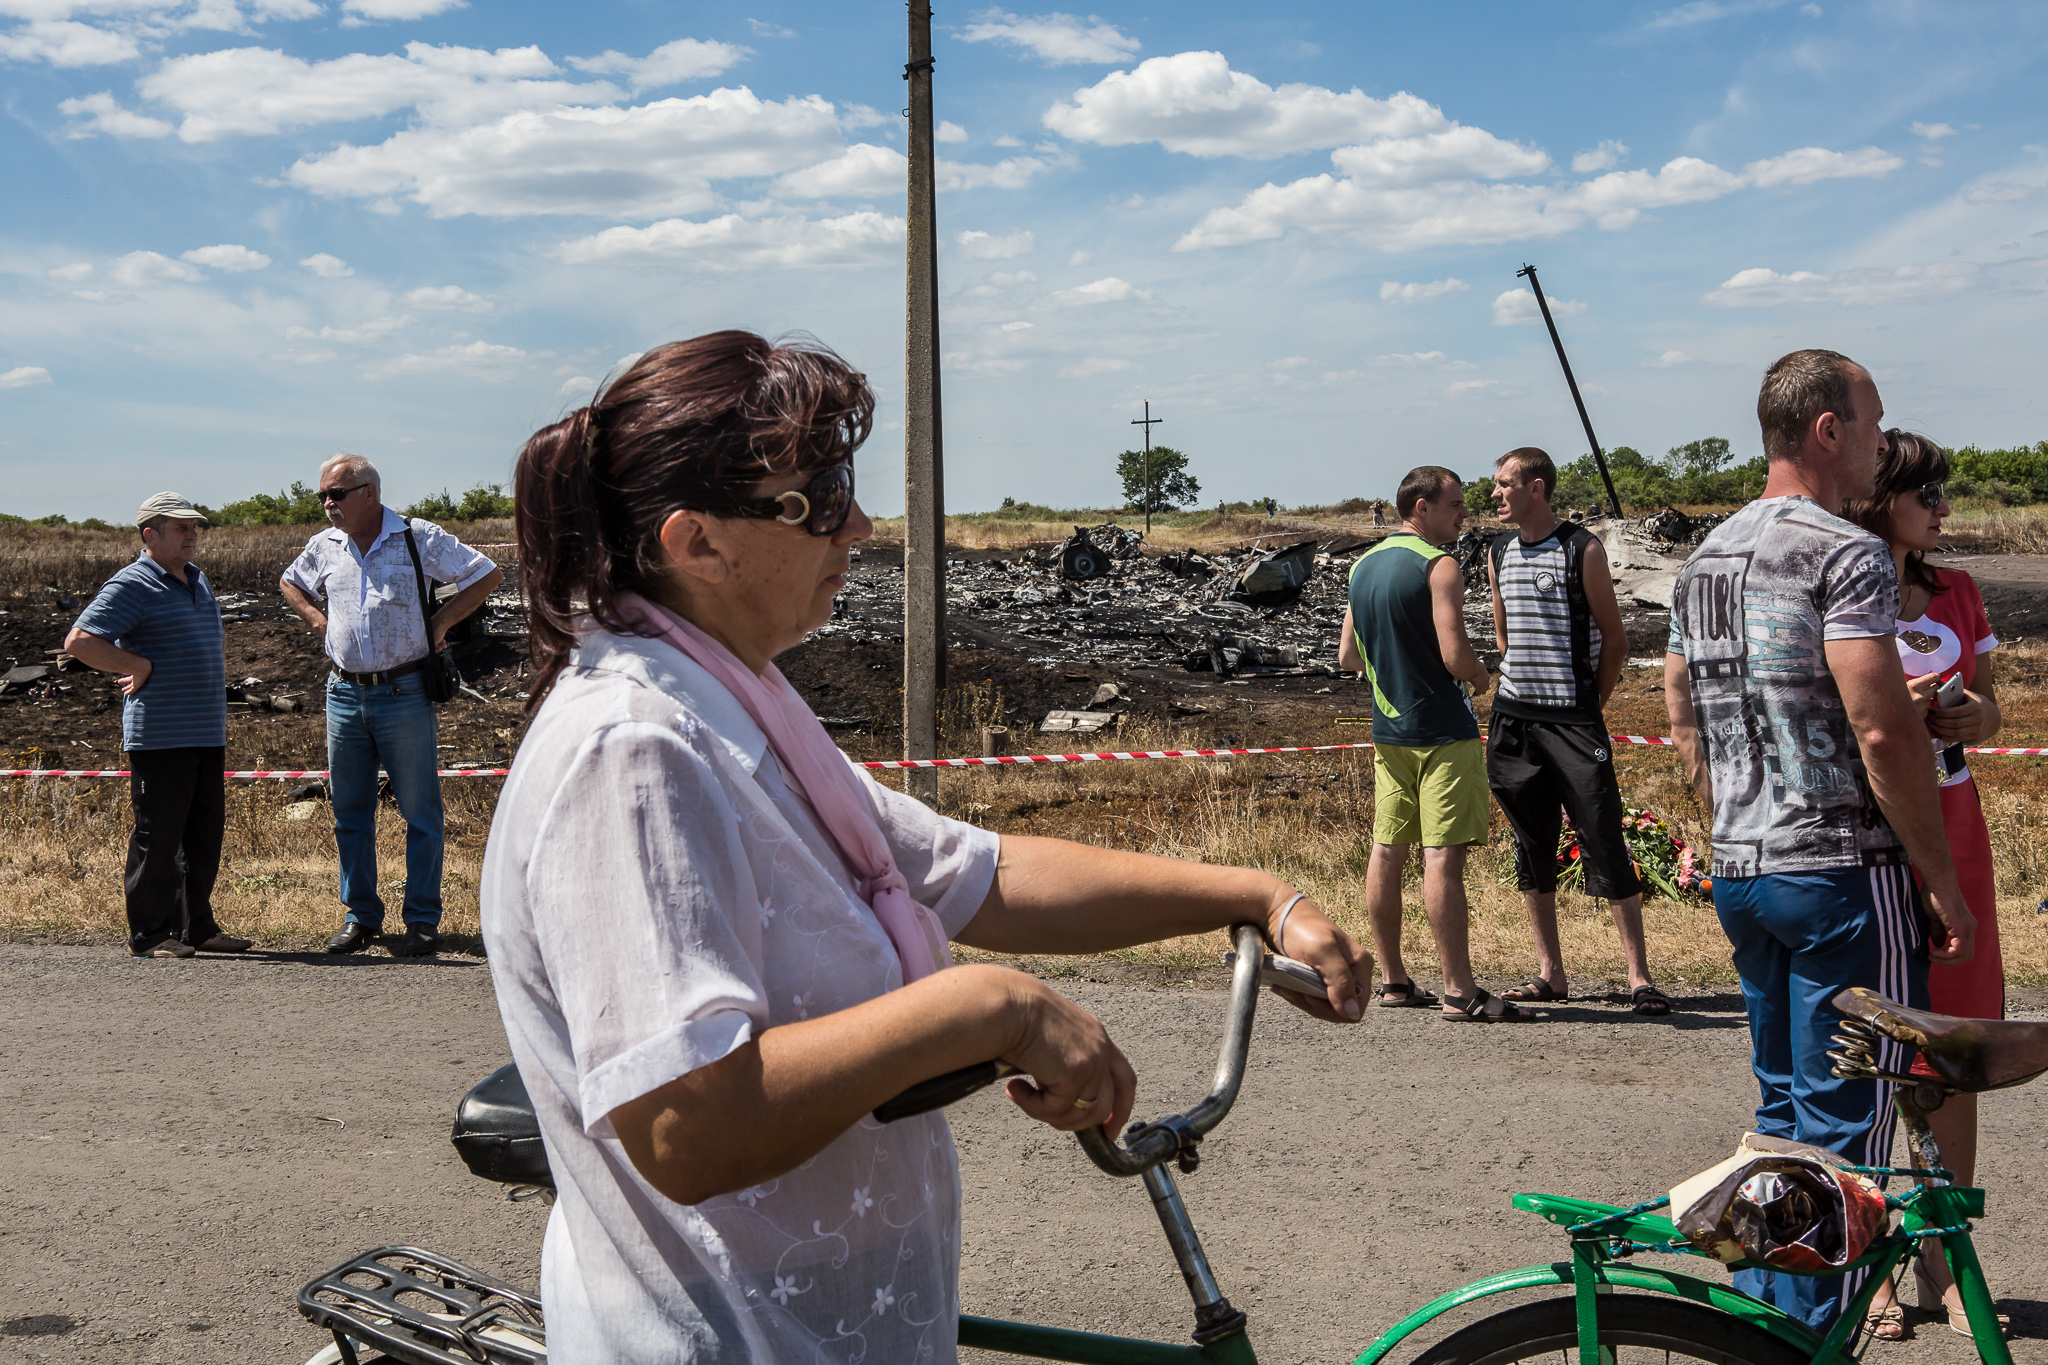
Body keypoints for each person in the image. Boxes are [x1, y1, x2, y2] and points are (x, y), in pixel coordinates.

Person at [480, 331, 1372, 1363]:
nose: (854, 523)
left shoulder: (736, 698)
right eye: (814, 498)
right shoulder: (634, 751)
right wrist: (987, 1006)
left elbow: (968, 871)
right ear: (699, 544)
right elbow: (687, 1125)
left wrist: (1252, 894)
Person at [1665, 349, 1973, 1335]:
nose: (1884, 442)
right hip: (1839, 871)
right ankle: (1806, 1337)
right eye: (1874, 422)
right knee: (1849, 1141)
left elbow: (1684, 717)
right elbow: (1880, 727)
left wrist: (1717, 826)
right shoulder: (1840, 552)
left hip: (1744, 868)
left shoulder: (1705, 555)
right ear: (1825, 429)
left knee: (1778, 1123)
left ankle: (1746, 1330)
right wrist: (1939, 878)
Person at [1845, 432, 2008, 1341]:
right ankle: (1862, 1266)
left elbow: (1987, 704)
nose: (1945, 506)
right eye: (1929, 490)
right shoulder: (1844, 577)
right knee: (1867, 1054)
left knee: (1956, 1050)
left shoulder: (1959, 590)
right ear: (1882, 494)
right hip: (1864, 834)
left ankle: (1945, 1261)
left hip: (1953, 825)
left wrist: (1976, 714)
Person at [280, 455, 504, 958]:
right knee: (350, 810)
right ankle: (360, 916)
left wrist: (441, 622)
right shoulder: (325, 545)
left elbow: (485, 574)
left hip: (403, 693)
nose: (327, 504)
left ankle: (422, 921)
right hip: (343, 693)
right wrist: (318, 620)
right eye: (322, 497)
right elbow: (290, 582)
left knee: (420, 812)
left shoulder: (416, 537)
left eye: (336, 494)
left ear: (369, 493)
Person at [1484, 448, 1668, 1015]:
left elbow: (1616, 641)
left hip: (1573, 721)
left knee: (1603, 837)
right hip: (1515, 720)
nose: (1494, 494)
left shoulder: (1580, 548)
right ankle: (1550, 973)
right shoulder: (1496, 550)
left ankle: (1639, 977)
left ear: (1536, 488)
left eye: (1504, 484)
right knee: (1530, 845)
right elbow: (1503, 633)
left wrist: (1589, 706)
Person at [1337, 467, 1520, 1020]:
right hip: (1443, 730)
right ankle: (1460, 989)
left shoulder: (1361, 565)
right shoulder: (1439, 566)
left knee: (1387, 852)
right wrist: (1482, 676)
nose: (1464, 514)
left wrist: (1393, 677)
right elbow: (1454, 652)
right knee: (1442, 857)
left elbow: (1348, 657)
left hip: (1389, 732)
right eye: (1455, 505)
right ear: (1421, 507)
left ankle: (1392, 980)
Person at [64, 494, 250, 959]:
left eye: (195, 528)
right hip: (161, 733)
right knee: (159, 835)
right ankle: (149, 934)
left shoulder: (196, 579)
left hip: (206, 729)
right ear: (151, 534)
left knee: (203, 835)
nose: (192, 535)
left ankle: (197, 929)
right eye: (181, 528)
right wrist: (137, 663)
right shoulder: (133, 582)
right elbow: (80, 641)